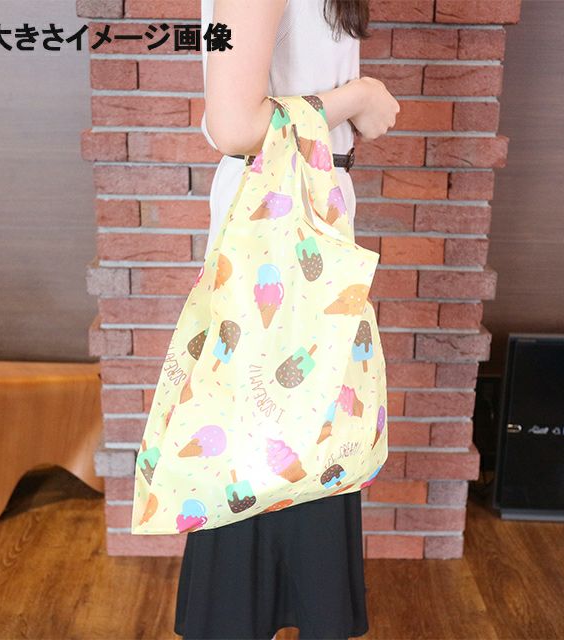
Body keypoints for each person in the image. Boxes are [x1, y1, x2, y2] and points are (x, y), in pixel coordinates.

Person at [174, 1, 400, 639]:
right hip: (279, 216)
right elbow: (233, 125)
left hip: (299, 203)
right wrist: (359, 96)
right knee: (277, 433)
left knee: (298, 435)